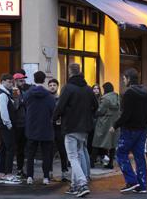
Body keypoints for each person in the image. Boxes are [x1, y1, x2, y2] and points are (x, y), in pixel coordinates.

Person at [54, 63, 98, 197]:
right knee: (78, 155)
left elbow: (60, 106)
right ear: (80, 72)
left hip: (71, 127)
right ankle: (74, 185)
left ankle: (82, 183)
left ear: (69, 72)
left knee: (72, 157)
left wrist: (54, 118)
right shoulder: (88, 89)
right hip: (85, 128)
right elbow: (95, 106)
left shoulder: (68, 88)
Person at [110, 68, 147, 194]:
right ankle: (142, 185)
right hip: (142, 129)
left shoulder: (129, 93)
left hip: (129, 129)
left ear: (128, 78)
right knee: (139, 156)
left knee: (121, 154)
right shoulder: (146, 92)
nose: (123, 81)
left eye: (124, 79)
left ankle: (132, 181)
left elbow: (126, 114)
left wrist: (115, 125)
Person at [24, 71, 56, 185]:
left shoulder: (28, 94)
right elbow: (54, 111)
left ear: (34, 79)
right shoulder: (49, 96)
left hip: (31, 127)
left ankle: (29, 177)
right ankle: (46, 177)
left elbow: (25, 106)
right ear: (44, 80)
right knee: (46, 155)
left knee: (30, 154)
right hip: (46, 128)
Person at [0, 73, 21, 184]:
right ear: (3, 82)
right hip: (6, 126)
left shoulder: (6, 93)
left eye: (12, 82)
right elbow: (4, 112)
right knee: (10, 149)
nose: (11, 84)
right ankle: (8, 174)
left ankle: (1, 174)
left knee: (4, 149)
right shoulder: (3, 94)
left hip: (3, 125)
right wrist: (9, 124)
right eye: (9, 82)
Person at [92, 82, 120, 169]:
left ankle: (92, 162)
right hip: (114, 122)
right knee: (112, 143)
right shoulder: (117, 97)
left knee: (96, 142)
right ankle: (111, 163)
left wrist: (94, 113)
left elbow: (100, 111)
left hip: (103, 123)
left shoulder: (105, 98)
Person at [48, 78, 69, 181]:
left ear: (57, 87)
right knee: (49, 151)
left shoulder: (61, 99)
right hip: (49, 128)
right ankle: (49, 172)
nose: (52, 87)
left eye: (54, 85)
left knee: (62, 151)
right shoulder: (46, 99)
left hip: (60, 128)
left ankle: (64, 172)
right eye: (50, 85)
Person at [13, 72, 29, 178]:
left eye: (23, 80)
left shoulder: (23, 91)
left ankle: (20, 169)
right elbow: (15, 106)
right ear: (15, 81)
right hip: (17, 124)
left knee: (22, 149)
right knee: (16, 149)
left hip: (24, 124)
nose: (23, 82)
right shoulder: (15, 92)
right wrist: (19, 98)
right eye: (21, 80)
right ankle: (14, 170)